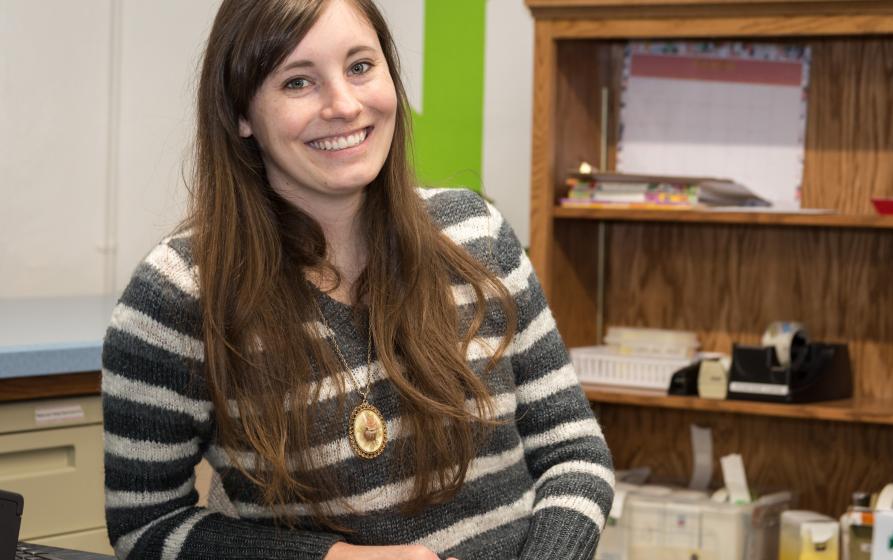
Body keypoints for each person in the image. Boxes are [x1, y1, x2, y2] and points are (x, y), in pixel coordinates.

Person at [100, 0, 614, 558]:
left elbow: (575, 452)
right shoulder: (178, 297)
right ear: (242, 113)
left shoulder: (476, 235)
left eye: (361, 66)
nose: (344, 105)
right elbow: (146, 529)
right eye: (298, 82)